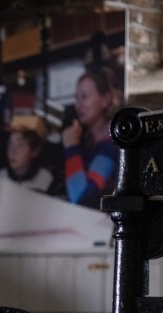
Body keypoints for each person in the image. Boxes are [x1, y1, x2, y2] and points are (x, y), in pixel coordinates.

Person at [62, 66, 120, 208]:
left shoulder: (111, 144)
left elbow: (80, 197)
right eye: (76, 98)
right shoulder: (88, 141)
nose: (78, 105)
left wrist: (71, 147)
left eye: (84, 97)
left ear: (105, 100)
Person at [0, 115, 60, 195]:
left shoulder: (46, 180)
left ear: (35, 151)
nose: (13, 152)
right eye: (10, 145)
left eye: (20, 146)